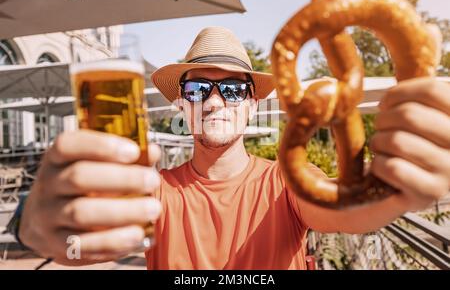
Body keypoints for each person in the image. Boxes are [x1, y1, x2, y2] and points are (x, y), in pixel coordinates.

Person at [17, 27, 450, 269]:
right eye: (200, 87)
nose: (215, 100)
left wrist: (396, 185)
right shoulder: (153, 191)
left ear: (253, 105)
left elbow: (350, 210)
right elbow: (77, 243)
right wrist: (34, 224)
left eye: (233, 88)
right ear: (183, 103)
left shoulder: (285, 180)